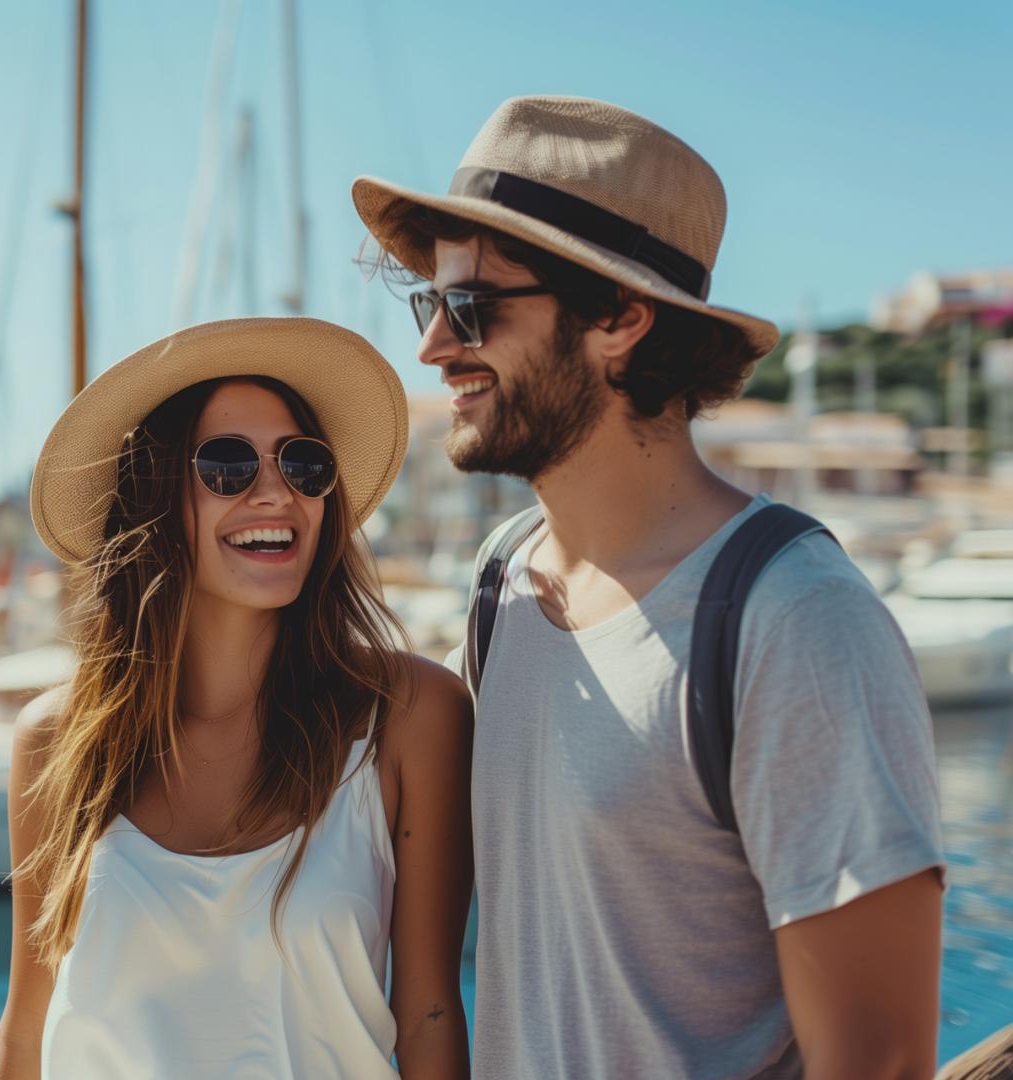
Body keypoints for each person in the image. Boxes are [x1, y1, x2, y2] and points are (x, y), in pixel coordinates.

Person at [353, 95, 946, 1079]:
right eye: (431, 306)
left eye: (472, 309)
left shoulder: (797, 623)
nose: (434, 348)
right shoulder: (504, 582)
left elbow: (877, 1061)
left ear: (620, 318)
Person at [0, 318, 474, 1079]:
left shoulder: (412, 715)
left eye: (304, 465)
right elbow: (26, 1032)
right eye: (227, 465)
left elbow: (429, 1019)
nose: (276, 492)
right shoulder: (56, 740)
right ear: (152, 496)